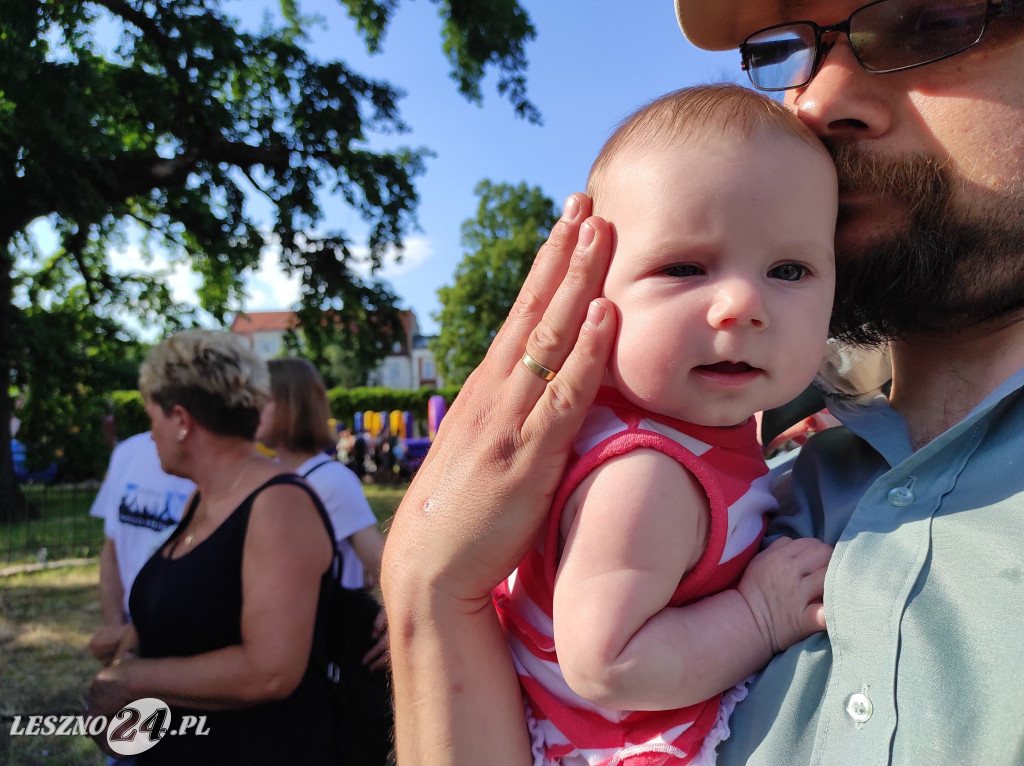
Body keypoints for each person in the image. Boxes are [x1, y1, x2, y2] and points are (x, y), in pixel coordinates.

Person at [379, 0, 1024, 763]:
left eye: (932, 19)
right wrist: (431, 594)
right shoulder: (764, 479)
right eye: (788, 48)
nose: (814, 100)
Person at [493, 84, 836, 766]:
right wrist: (758, 618)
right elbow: (608, 662)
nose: (741, 303)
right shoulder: (648, 476)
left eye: (789, 270)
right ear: (591, 291)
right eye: (683, 267)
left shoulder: (664, 437)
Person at [87, 330, 336, 764]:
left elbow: (270, 670)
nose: (150, 437)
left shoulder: (279, 504)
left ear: (182, 420)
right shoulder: (201, 499)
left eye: (152, 419)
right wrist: (127, 645)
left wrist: (133, 680)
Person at [255, 356, 388, 669]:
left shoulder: (331, 480)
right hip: (283, 646)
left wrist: (400, 623)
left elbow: (385, 566)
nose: (250, 406)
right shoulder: (265, 474)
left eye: (263, 397)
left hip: (327, 654)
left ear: (294, 404)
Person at [87, 432, 195, 667]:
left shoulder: (214, 460)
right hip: (131, 635)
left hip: (184, 639)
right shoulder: (128, 452)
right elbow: (112, 549)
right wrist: (116, 630)